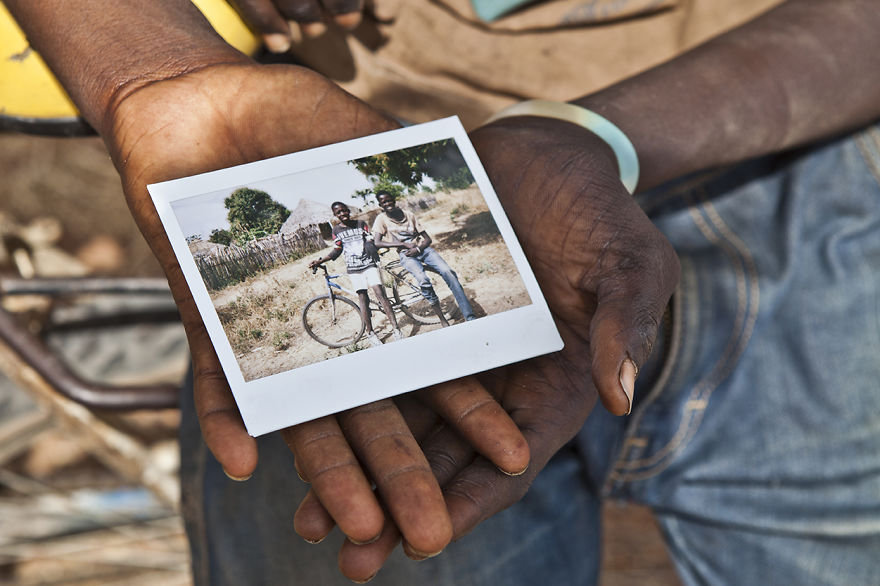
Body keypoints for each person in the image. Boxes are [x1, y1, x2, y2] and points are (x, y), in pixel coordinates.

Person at [4, 1, 880, 585]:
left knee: (438, 280)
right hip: (321, 127)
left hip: (797, 185)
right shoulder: (342, 213)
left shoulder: (386, 213)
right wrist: (148, 62)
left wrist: (593, 133)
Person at [372, 190, 475, 325]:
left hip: (423, 249)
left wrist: (418, 249)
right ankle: (442, 319)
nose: (387, 203)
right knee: (423, 280)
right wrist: (403, 244)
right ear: (380, 205)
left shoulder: (409, 215)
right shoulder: (381, 219)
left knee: (448, 272)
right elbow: (377, 242)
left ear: (394, 200)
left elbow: (427, 239)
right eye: (384, 202)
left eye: (389, 200)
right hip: (406, 254)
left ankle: (469, 316)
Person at [309, 201, 403, 345]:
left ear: (348, 210)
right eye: (339, 212)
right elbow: (337, 249)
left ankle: (396, 329)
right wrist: (320, 261)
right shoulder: (336, 231)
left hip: (369, 263)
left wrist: (371, 246)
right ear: (335, 215)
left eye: (344, 210)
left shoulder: (360, 224)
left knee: (380, 293)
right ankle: (370, 333)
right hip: (354, 268)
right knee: (362, 298)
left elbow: (369, 239)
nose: (342, 214)